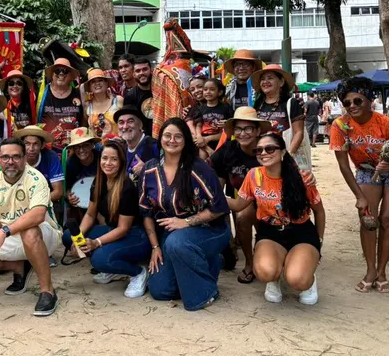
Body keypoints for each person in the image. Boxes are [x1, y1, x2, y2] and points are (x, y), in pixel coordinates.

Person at [330, 77, 389, 294]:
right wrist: (360, 196)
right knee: (368, 219)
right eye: (346, 103)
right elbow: (344, 166)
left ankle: (382, 272)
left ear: (369, 99)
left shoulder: (386, 123)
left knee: (386, 219)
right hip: (367, 170)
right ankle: (370, 270)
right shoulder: (340, 126)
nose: (352, 106)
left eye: (357, 101)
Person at [139, 118, 231, 311]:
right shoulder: (149, 168)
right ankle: (204, 262)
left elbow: (220, 207)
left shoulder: (199, 168)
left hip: (210, 229)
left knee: (177, 243)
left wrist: (187, 222)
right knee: (160, 291)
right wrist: (155, 246)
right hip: (170, 235)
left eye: (178, 136)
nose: (172, 140)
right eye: (167, 135)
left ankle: (205, 292)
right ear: (160, 139)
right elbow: (145, 211)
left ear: (186, 140)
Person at [0, 138, 61, 316]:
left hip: (45, 234)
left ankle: (48, 291)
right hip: (9, 235)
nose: (11, 162)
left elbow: (38, 215)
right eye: (6, 157)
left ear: (24, 159)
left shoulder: (35, 178)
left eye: (16, 157)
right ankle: (19, 267)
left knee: (29, 232)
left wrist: (3, 232)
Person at [233, 133, 325, 304]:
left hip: (301, 233)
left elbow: (319, 212)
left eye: (269, 148)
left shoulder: (302, 178)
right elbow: (239, 204)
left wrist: (319, 241)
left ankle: (308, 280)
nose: (263, 153)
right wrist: (212, 195)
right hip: (270, 233)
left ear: (282, 152)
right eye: (258, 150)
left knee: (297, 279)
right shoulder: (254, 175)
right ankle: (274, 278)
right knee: (264, 272)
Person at [61, 139, 151, 297]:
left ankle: (138, 272)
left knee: (99, 259)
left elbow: (123, 228)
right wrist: (78, 238)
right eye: (104, 158)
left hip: (136, 235)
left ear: (121, 162)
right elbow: (90, 214)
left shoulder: (126, 187)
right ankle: (113, 267)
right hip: (113, 229)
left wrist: (97, 242)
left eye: (114, 159)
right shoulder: (99, 181)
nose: (108, 163)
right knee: (69, 236)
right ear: (100, 159)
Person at [208, 107, 271, 284]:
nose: (242, 133)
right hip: (244, 201)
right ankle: (250, 263)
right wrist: (214, 199)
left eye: (248, 128)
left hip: (271, 200)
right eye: (238, 129)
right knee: (242, 217)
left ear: (258, 130)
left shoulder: (269, 147)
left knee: (265, 234)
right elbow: (215, 176)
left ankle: (268, 254)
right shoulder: (228, 150)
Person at [250, 64, 306, 166]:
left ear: (281, 82)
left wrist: (287, 157)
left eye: (270, 78)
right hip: (262, 156)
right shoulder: (258, 103)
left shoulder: (291, 103)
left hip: (284, 156)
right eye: (262, 79)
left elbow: (299, 132)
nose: (265, 82)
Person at [38, 58, 84, 153]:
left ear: (71, 75)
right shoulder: (43, 94)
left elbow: (84, 119)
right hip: (47, 150)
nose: (61, 74)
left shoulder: (78, 93)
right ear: (52, 74)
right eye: (57, 70)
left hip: (74, 151)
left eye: (65, 71)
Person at [14, 126, 64, 202]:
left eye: (35, 144)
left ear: (42, 145)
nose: (31, 148)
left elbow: (58, 192)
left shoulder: (51, 156)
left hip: (44, 200)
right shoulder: (14, 158)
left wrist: (36, 204)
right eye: (27, 143)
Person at [114, 106, 159, 185]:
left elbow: (168, 175)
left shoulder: (154, 146)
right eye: (121, 122)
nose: (125, 126)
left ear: (140, 125)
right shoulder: (120, 149)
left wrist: (146, 170)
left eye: (130, 121)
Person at [63, 127, 101, 215]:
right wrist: (69, 196)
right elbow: (67, 187)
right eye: (77, 147)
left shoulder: (101, 158)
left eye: (85, 145)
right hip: (82, 204)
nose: (81, 150)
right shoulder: (71, 164)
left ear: (92, 145)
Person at [193, 78, 232, 158]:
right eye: (205, 89)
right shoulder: (200, 109)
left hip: (221, 141)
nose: (208, 92)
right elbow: (198, 125)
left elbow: (230, 127)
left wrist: (226, 123)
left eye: (212, 89)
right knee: (203, 161)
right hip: (204, 142)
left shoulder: (226, 108)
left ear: (219, 92)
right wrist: (199, 136)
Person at [85, 68, 123, 138]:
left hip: (117, 146)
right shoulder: (87, 105)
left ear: (106, 83)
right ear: (89, 87)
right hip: (96, 147)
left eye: (100, 80)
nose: (97, 83)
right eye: (93, 82)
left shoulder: (118, 100)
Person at [123, 57, 153, 134]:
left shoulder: (161, 91)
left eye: (145, 69)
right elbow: (130, 121)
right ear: (134, 74)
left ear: (151, 70)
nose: (141, 73)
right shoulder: (130, 96)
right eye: (138, 71)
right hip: (142, 140)